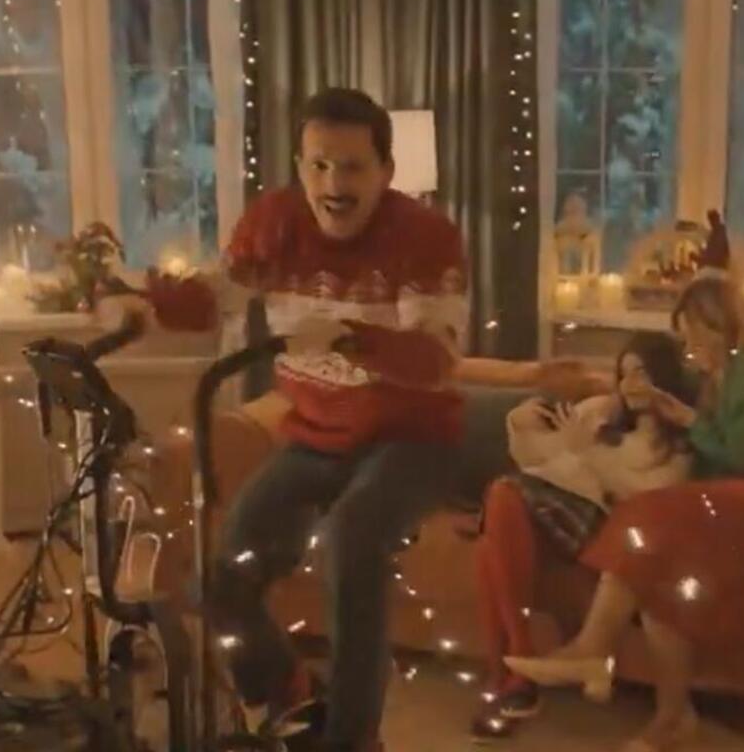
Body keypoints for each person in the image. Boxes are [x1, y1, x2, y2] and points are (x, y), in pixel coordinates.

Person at [101, 88, 469, 752]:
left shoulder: (426, 237)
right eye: (319, 165)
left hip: (411, 437)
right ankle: (290, 696)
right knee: (223, 578)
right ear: (300, 165)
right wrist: (145, 307)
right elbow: (216, 299)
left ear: (386, 171)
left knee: (352, 541)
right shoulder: (274, 222)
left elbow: (437, 361)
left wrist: (353, 339)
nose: (334, 185)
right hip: (315, 434)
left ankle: (352, 740)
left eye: (352, 168)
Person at [505, 273, 744, 752]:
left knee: (651, 511)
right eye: (685, 337)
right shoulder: (716, 379)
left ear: (720, 324)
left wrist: (690, 421)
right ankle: (674, 718)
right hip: (739, 502)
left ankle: (592, 647)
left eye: (696, 335)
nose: (691, 349)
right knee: (659, 570)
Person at [469, 331, 695, 743]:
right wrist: (520, 423)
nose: (630, 384)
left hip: (609, 529)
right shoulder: (601, 412)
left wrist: (584, 454)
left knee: (502, 499)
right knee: (495, 525)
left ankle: (510, 671)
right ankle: (513, 673)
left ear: (665, 377)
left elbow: (646, 497)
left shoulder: (678, 441)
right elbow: (536, 459)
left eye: (642, 373)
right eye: (623, 374)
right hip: (556, 508)